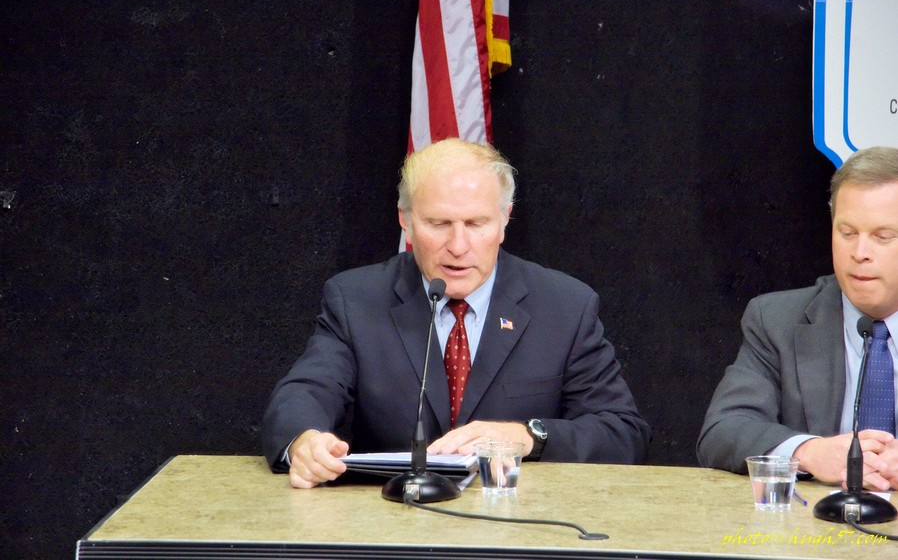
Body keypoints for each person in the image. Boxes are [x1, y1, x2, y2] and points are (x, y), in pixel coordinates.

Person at [263, 138, 651, 488]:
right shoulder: (358, 299)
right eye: (439, 224)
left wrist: (529, 436)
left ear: (504, 221)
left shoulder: (564, 305)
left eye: (476, 223)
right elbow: (307, 391)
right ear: (406, 221)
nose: (458, 245)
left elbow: (622, 433)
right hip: (392, 525)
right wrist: (304, 440)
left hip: (523, 531)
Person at [697, 146, 898, 491]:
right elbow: (723, 430)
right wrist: (809, 451)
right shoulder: (777, 321)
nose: (859, 253)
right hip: (812, 531)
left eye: (883, 237)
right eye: (847, 233)